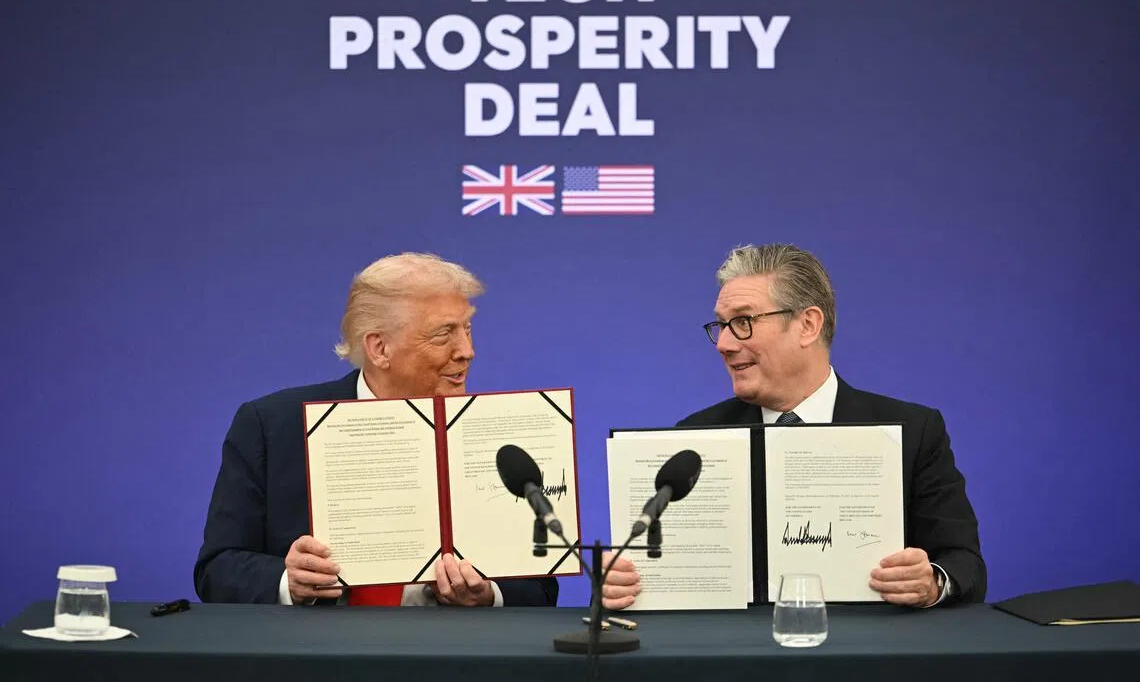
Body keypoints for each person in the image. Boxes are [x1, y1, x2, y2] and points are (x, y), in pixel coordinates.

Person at [602, 243, 986, 610]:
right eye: (720, 325)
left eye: (743, 322)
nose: (724, 344)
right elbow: (668, 572)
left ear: (807, 325)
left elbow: (964, 563)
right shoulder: (695, 438)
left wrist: (931, 583)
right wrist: (625, 581)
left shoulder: (913, 431)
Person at [194, 252, 557, 607]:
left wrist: (489, 593)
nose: (467, 350)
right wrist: (287, 581)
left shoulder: (499, 439)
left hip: (455, 644)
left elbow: (540, 587)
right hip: (316, 644)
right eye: (443, 334)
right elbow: (217, 569)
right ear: (380, 348)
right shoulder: (272, 426)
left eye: (467, 329)